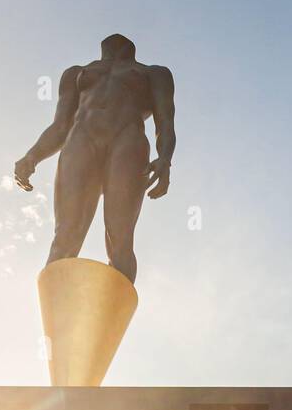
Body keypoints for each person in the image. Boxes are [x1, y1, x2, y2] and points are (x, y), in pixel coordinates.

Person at [14, 34, 175, 285]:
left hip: (127, 141)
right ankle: (57, 315)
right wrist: (32, 155)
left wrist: (165, 158)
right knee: (66, 234)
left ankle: (112, 315)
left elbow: (165, 122)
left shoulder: (154, 73)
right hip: (81, 140)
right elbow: (60, 126)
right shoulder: (77, 73)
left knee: (120, 235)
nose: (116, 43)